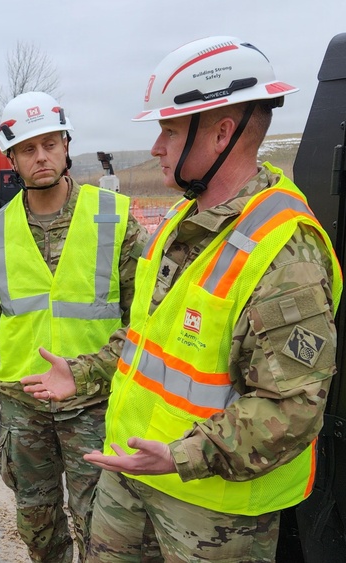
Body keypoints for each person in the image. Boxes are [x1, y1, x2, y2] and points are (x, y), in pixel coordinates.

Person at [22, 36, 343, 561]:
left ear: (220, 134)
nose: (156, 147)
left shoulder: (286, 249)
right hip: (133, 476)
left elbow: (292, 409)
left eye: (169, 130)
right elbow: (149, 338)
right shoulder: (179, 222)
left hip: (213, 513)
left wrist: (182, 455)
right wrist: (82, 373)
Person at [0, 92, 148, 563]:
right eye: (28, 148)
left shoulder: (115, 217)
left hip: (95, 402)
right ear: (12, 158)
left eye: (50, 143)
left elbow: (143, 319)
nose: (41, 156)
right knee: (38, 528)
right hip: (22, 404)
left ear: (67, 145)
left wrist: (101, 375)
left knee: (101, 529)